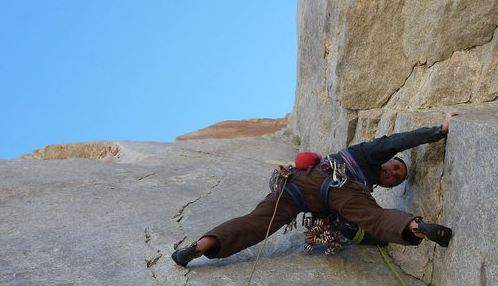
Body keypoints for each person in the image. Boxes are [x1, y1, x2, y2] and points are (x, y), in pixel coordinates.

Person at [171, 111, 461, 267]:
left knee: (255, 223)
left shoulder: (364, 186)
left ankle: (198, 248)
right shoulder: (366, 153)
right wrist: (439, 131)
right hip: (333, 185)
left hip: (296, 185)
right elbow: (397, 141)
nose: (392, 173)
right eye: (395, 167)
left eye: (396, 178)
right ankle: (416, 227)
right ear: (387, 161)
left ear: (388, 183)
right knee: (375, 216)